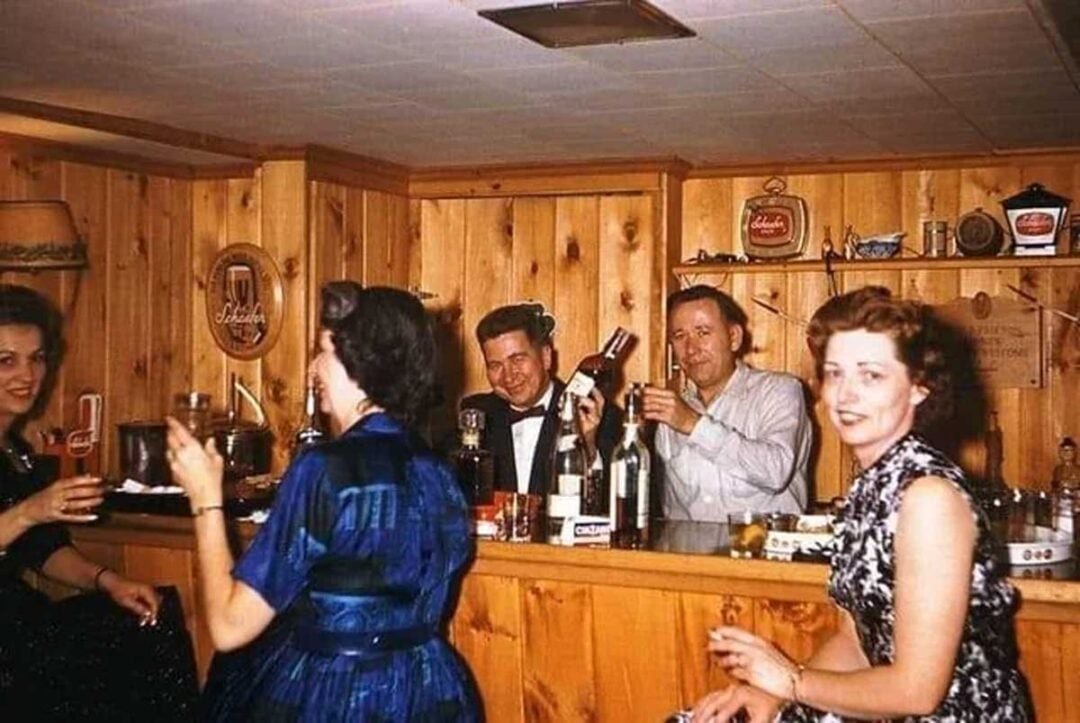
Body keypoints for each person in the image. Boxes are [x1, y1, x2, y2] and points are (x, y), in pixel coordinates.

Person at [694, 286, 1032, 722]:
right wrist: (772, 696)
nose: (845, 395)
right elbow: (856, 642)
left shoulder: (929, 497)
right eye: (834, 374)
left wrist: (792, 681)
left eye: (871, 375)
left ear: (918, 387)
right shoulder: (869, 487)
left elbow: (917, 693)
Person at [166, 281, 479, 721]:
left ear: (360, 362)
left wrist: (205, 499)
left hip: (338, 692)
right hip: (429, 689)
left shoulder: (324, 469)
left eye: (324, 351)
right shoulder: (440, 473)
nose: (314, 366)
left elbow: (229, 627)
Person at [0, 284, 191, 718]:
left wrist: (109, 581)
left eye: (37, 358)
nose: (26, 375)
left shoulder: (16, 452)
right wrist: (29, 511)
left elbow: (43, 550)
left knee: (150, 614)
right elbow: (27, 522)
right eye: (6, 361)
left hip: (16, 625)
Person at [643, 285, 810, 522]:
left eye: (703, 333)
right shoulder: (671, 414)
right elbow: (669, 509)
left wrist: (693, 425)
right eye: (679, 336)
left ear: (734, 338)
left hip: (765, 545)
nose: (691, 349)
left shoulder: (779, 390)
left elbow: (776, 472)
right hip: (688, 546)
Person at [461, 302, 622, 495]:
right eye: (495, 365)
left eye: (518, 359)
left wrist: (587, 448)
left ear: (546, 357)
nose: (509, 376)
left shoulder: (599, 414)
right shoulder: (476, 415)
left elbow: (614, 497)